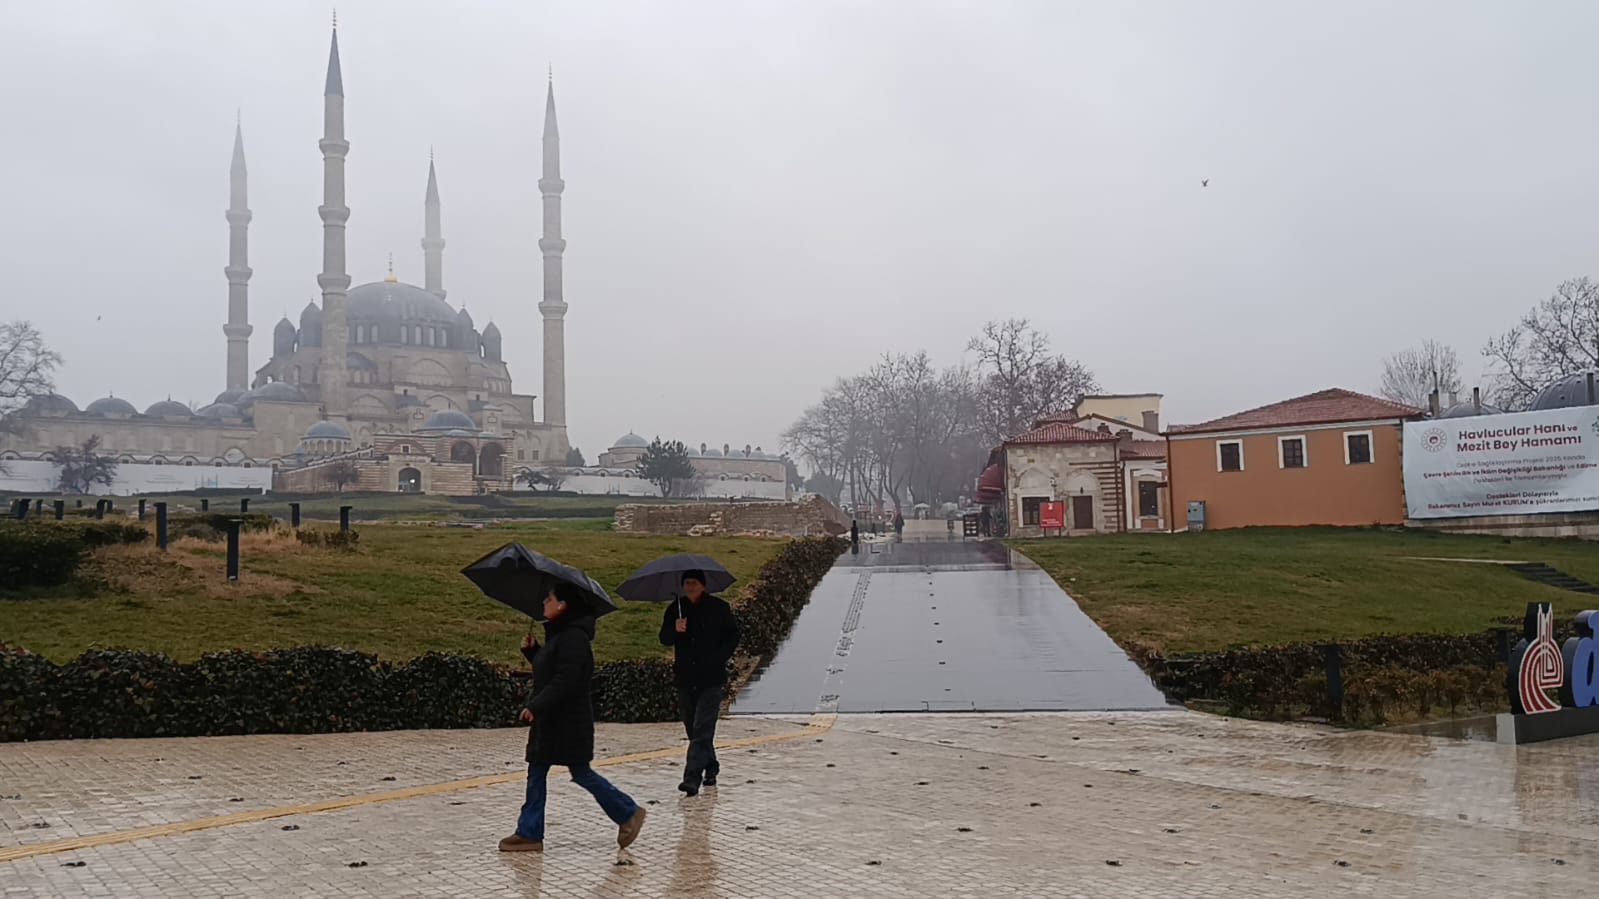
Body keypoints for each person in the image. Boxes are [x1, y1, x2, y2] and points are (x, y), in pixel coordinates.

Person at [500, 582, 647, 853]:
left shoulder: (574, 638)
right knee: (536, 771)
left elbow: (566, 679)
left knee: (581, 773)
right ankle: (529, 832)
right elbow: (552, 670)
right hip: (551, 721)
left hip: (568, 722)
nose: (544, 603)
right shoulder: (560, 635)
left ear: (562, 605)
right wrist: (534, 652)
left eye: (549, 599)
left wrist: (536, 706)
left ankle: (628, 812)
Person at [658, 569, 740, 797]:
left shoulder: (719, 608)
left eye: (694, 583)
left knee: (703, 728)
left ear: (703, 585)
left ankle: (691, 779)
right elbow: (664, 638)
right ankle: (711, 766)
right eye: (687, 583)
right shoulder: (676, 608)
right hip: (686, 678)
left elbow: (732, 636)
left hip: (711, 678)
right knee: (693, 729)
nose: (690, 587)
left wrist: (718, 658)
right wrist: (675, 629)